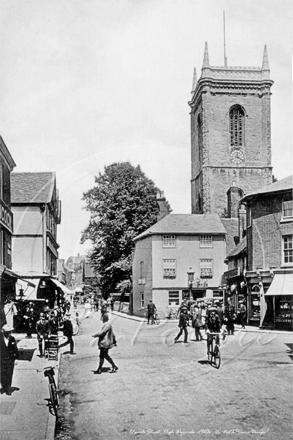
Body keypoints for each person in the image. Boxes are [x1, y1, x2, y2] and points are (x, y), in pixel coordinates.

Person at [0, 324, 19, 395]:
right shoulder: (0, 339)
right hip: (1, 359)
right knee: (2, 374)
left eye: (10, 331)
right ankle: (3, 387)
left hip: (10, 359)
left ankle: (8, 388)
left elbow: (15, 349)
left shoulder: (12, 338)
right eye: (7, 332)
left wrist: (16, 358)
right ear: (4, 332)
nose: (9, 333)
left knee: (9, 373)